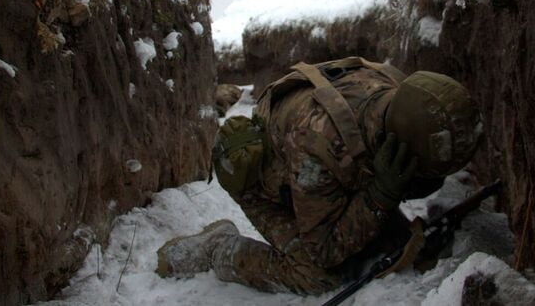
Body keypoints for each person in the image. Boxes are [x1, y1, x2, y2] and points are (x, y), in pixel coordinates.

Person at [155, 56, 482, 294]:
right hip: (266, 182)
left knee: (387, 238)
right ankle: (218, 249)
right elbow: (325, 248)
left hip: (322, 166)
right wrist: (381, 194)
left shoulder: (400, 92)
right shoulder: (318, 143)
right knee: (318, 276)